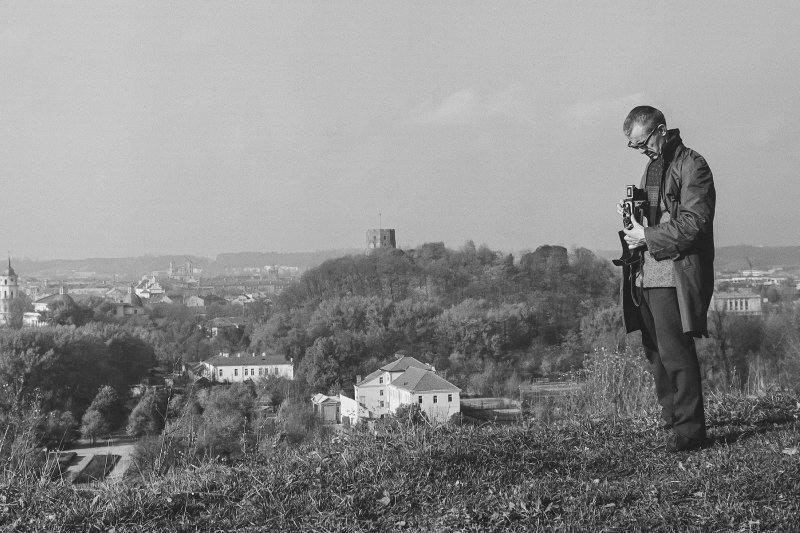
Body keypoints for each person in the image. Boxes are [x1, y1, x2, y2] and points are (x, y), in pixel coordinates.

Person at [617, 105, 716, 452]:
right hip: (645, 274)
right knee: (656, 355)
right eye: (634, 146)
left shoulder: (693, 165)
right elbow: (656, 217)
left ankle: (690, 434)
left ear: (661, 130)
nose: (640, 150)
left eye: (642, 142)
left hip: (672, 275)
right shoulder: (653, 165)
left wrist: (647, 236)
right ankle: (672, 422)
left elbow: (694, 224)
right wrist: (632, 216)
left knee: (676, 354)